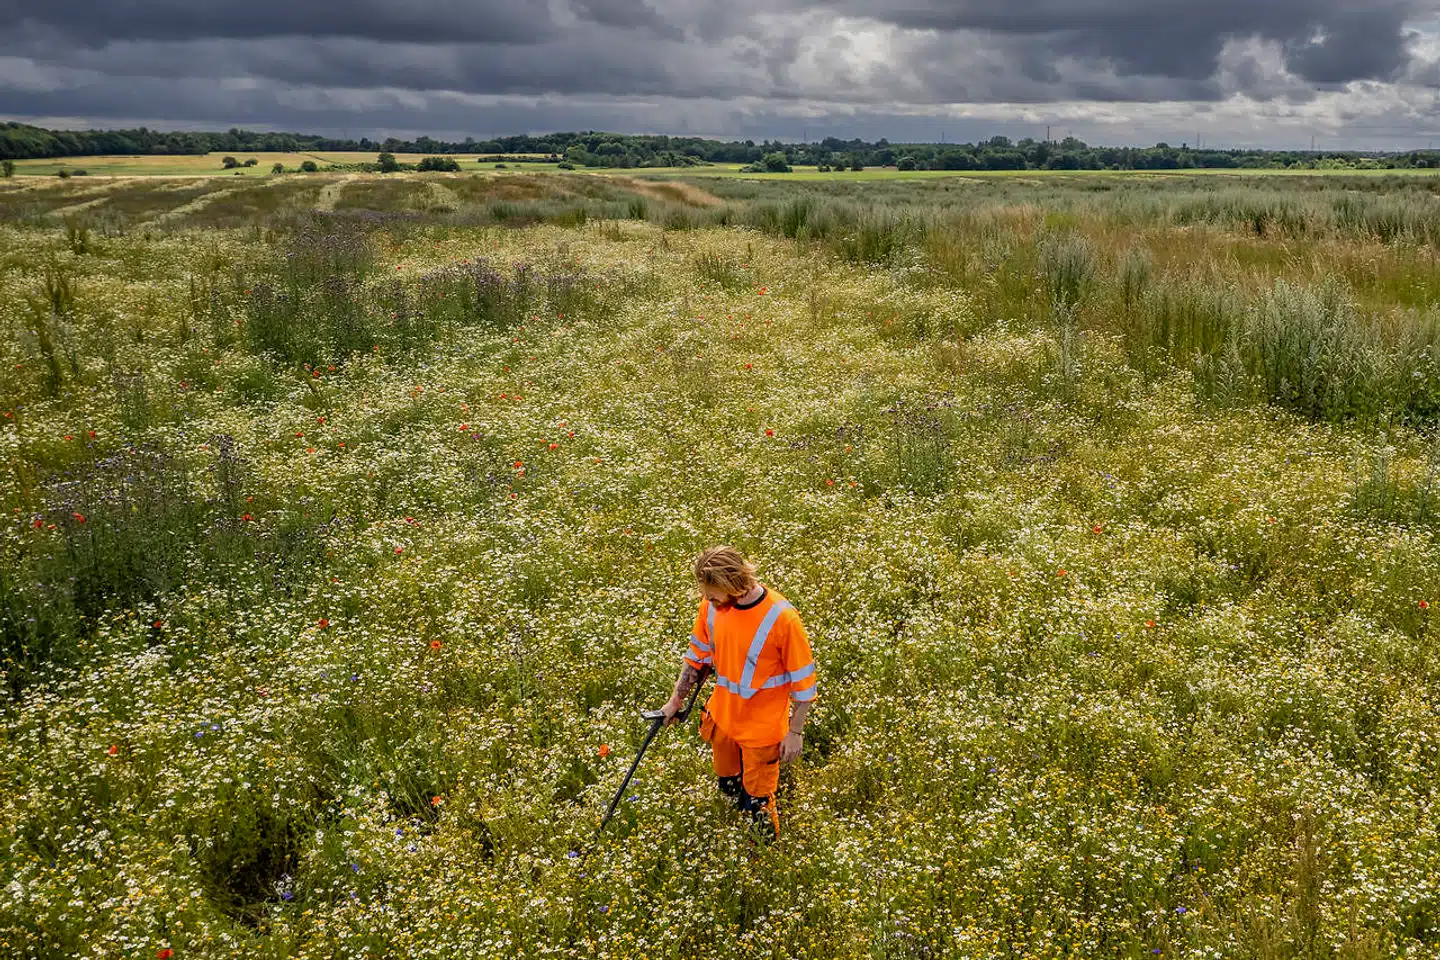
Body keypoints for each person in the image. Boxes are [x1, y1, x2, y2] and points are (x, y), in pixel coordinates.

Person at [659, 546, 817, 842]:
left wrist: (795, 732)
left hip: (762, 729)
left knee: (758, 802)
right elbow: (696, 660)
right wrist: (674, 703)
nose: (707, 599)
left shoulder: (782, 618)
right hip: (723, 720)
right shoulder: (710, 608)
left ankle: (764, 861)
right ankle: (733, 840)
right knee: (729, 786)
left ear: (734, 584)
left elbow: (804, 685)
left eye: (713, 593)